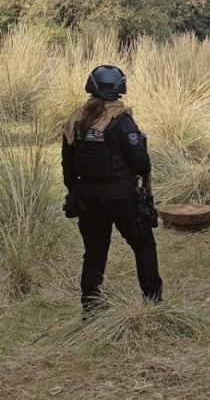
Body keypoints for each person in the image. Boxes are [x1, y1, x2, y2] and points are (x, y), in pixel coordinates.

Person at [61, 65, 162, 317]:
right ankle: (153, 303)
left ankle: (90, 309)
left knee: (94, 253)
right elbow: (142, 163)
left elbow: (67, 165)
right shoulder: (122, 121)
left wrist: (75, 192)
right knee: (144, 246)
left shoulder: (76, 120)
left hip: (87, 199)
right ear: (119, 89)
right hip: (122, 198)